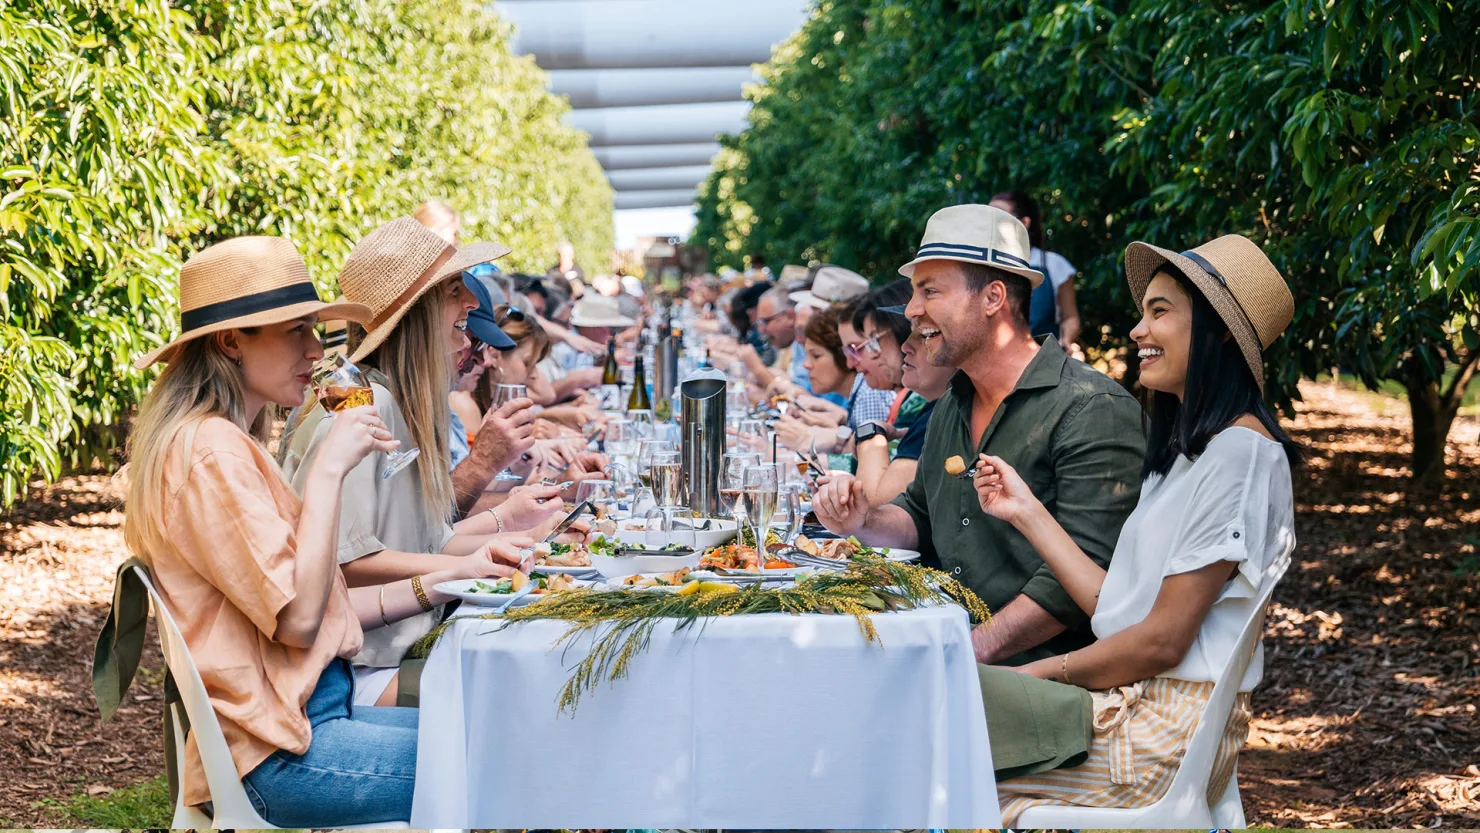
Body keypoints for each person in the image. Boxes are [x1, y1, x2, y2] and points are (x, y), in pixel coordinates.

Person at [120, 237, 523, 826]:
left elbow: (319, 605)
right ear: (232, 341)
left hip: (313, 719)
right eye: (296, 331)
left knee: (514, 730)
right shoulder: (211, 453)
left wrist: (449, 578)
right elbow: (300, 620)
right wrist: (332, 467)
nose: (317, 350)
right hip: (285, 753)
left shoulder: (223, 444)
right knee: (519, 759)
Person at [980, 234, 1300, 822]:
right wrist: (1025, 510)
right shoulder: (1189, 455)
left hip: (1158, 738)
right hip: (1126, 708)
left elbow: (1162, 641)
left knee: (941, 754)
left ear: (1221, 332)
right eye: (1142, 312)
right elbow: (1117, 607)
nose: (1137, 331)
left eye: (1160, 312)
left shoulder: (1241, 455)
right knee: (940, 711)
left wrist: (1034, 676)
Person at [812, 204, 1146, 667]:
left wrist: (970, 649)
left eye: (930, 291)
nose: (912, 311)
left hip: (1038, 681)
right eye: (914, 292)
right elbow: (921, 515)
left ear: (993, 298)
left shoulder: (1093, 409)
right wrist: (862, 520)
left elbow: (1085, 577)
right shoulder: (952, 402)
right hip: (954, 653)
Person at [281, 217, 559, 707]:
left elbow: (423, 537)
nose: (472, 305)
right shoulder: (362, 407)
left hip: (399, 650)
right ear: (417, 314)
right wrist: (467, 570)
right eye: (454, 291)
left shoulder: (401, 402)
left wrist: (513, 527)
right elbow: (347, 563)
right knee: (533, 695)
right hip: (358, 671)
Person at [989, 190, 1082, 348]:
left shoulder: (1054, 264)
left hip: (1043, 359)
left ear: (1024, 223)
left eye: (1000, 216)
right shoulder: (983, 264)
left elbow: (1070, 317)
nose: (992, 223)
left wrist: (1065, 341)